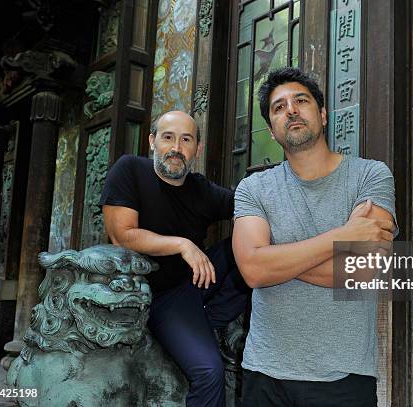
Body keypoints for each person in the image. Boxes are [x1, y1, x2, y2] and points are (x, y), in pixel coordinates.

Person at [232, 67, 397, 406]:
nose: (290, 110)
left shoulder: (370, 175)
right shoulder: (254, 188)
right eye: (279, 107)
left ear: (322, 115)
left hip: (344, 376)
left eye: (300, 101)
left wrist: (272, 257)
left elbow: (363, 271)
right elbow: (252, 270)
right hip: (265, 373)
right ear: (272, 131)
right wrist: (344, 236)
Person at [99, 110, 249, 407]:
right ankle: (197, 324)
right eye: (168, 138)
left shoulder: (200, 189)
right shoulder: (130, 170)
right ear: (153, 141)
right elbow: (122, 235)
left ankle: (206, 319)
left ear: (197, 149)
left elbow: (248, 203)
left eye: (186, 140)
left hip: (198, 284)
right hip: (159, 297)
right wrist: (182, 244)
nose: (176, 148)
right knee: (209, 371)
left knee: (246, 247)